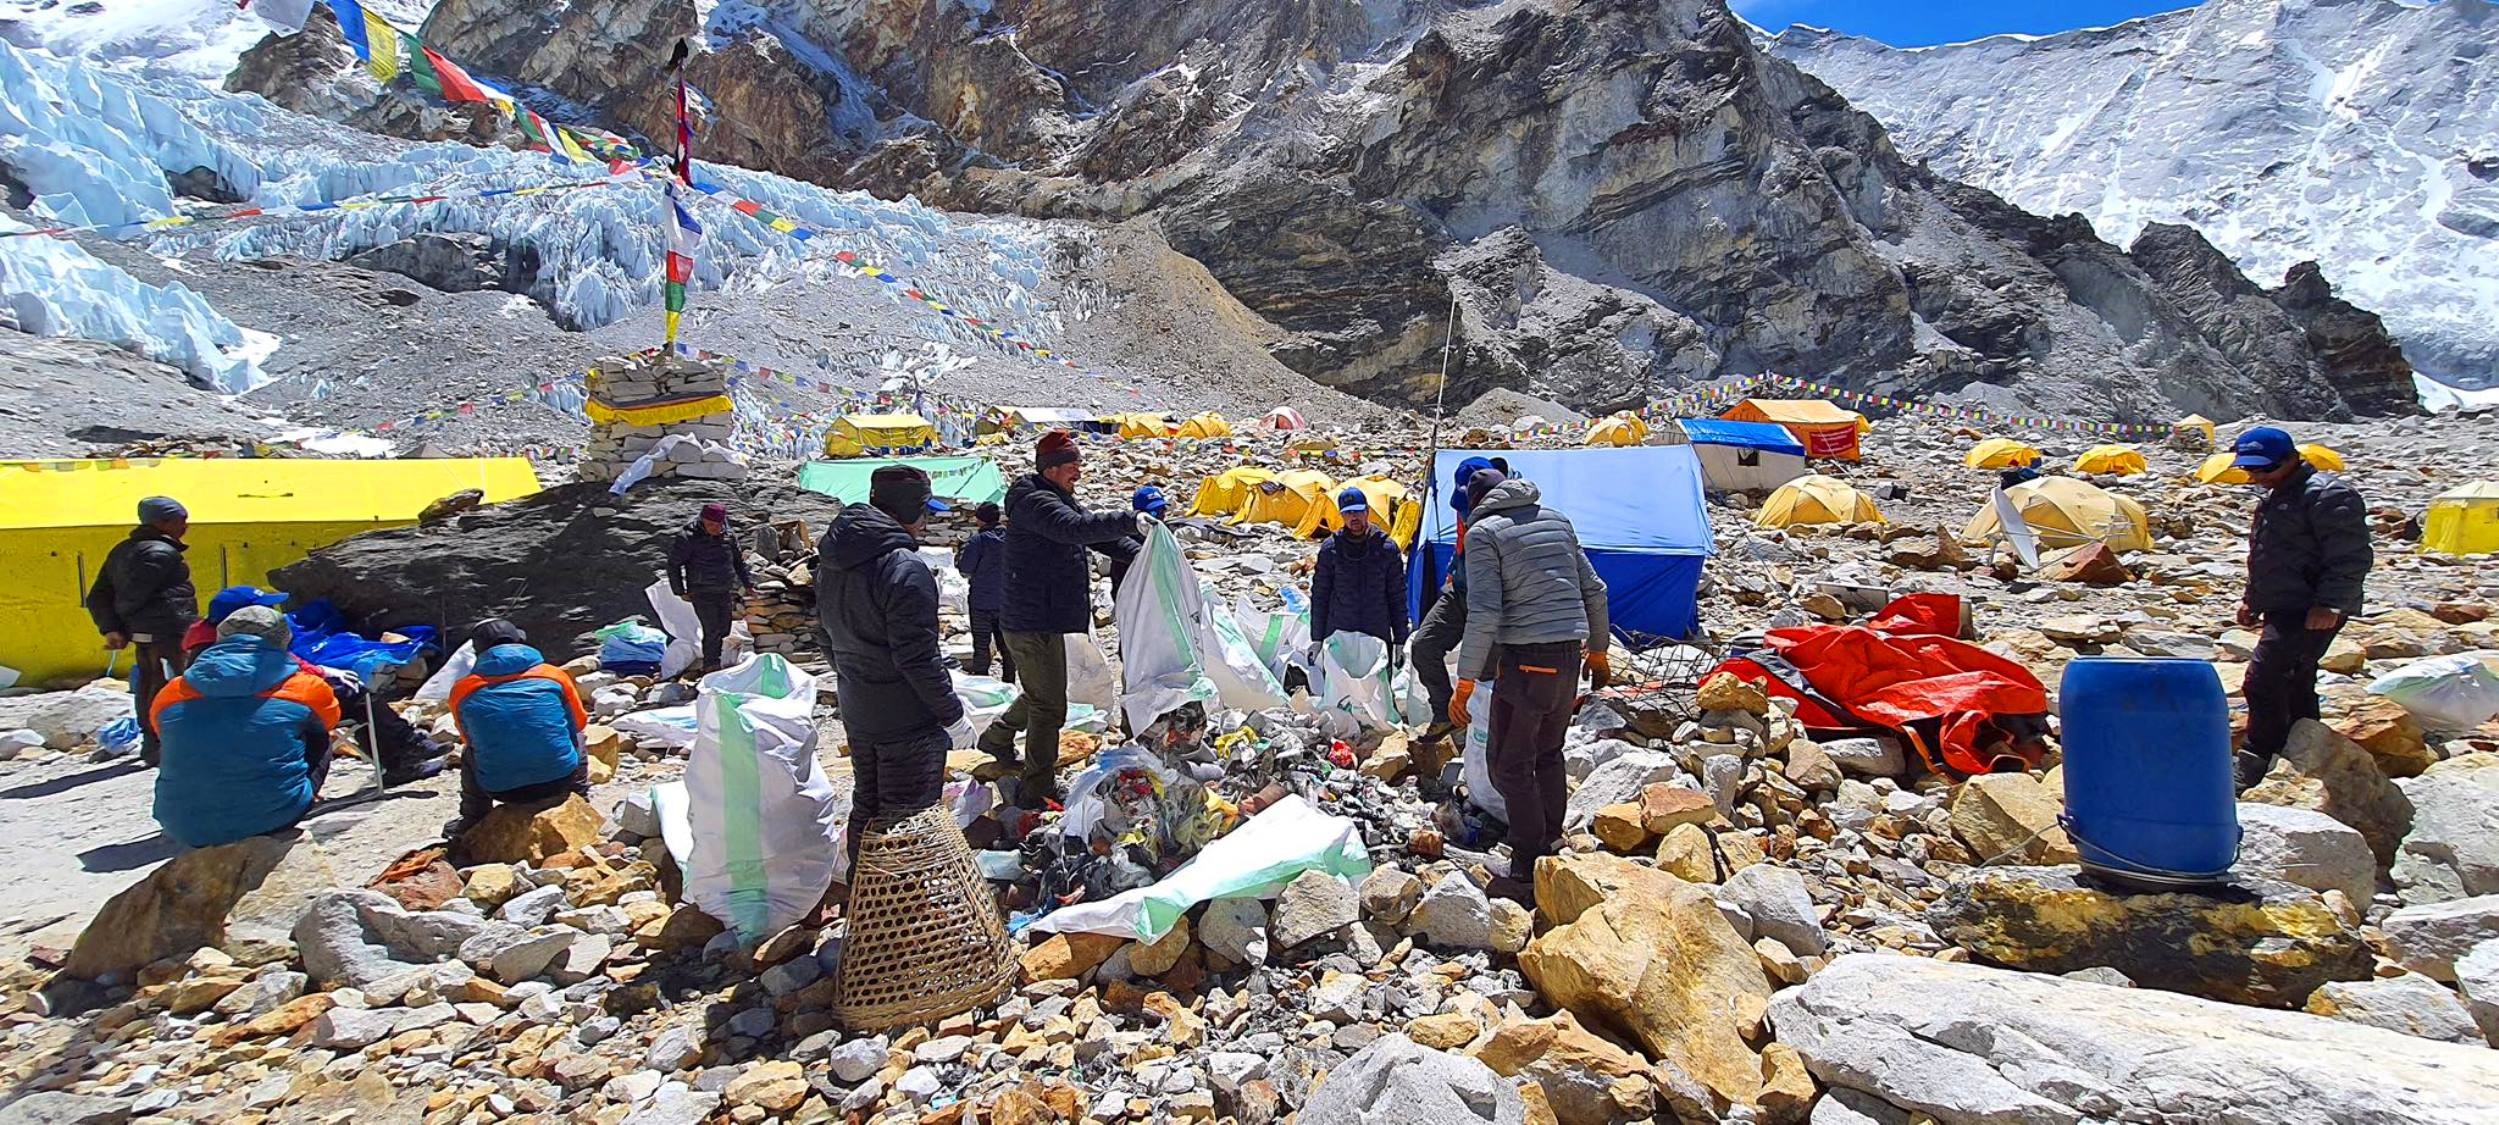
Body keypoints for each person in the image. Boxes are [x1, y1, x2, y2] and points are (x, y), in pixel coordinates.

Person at [1449, 468, 1610, 900]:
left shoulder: (1485, 534)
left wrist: (1465, 682)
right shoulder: (1556, 519)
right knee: (1548, 752)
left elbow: (1484, 612)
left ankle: (1526, 860)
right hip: (1567, 660)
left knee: (1510, 764)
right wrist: (1598, 650)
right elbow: (1594, 589)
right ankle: (1551, 838)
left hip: (1525, 662)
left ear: (1474, 503)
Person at [820, 466, 976, 867]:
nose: (925, 523)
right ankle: (904, 914)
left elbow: (825, 636)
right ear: (911, 510)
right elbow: (916, 657)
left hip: (858, 707)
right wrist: (952, 715)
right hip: (906, 720)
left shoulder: (834, 562)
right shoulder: (904, 566)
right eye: (924, 511)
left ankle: (866, 903)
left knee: (868, 805)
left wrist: (858, 675)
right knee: (908, 817)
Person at [980, 431, 1146, 802]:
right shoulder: (1033, 501)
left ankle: (997, 736)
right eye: (1073, 467)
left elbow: (1095, 536)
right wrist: (1130, 519)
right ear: (1051, 469)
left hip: (1044, 616)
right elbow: (1072, 530)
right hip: (1029, 619)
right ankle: (1036, 787)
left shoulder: (1058, 498)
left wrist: (1144, 552)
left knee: (1043, 691)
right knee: (1050, 705)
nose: (1079, 474)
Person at [184, 586, 447, 785]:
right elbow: (280, 675)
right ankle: (404, 753)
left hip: (233, 730)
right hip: (266, 713)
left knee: (351, 694)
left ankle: (406, 747)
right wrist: (321, 678)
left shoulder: (211, 648)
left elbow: (288, 663)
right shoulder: (242, 652)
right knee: (356, 698)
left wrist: (322, 670)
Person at [2231, 427, 2372, 789]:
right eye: (2252, 471)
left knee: (2263, 681)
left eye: (2264, 470)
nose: (2256, 477)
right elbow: (2267, 556)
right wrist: (2253, 599)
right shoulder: (2279, 494)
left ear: (2292, 458)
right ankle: (2303, 749)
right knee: (2295, 677)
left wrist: (2330, 603)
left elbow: (2350, 557)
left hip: (2311, 607)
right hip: (2284, 604)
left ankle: (2256, 757)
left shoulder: (2328, 495)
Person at [149, 607, 341, 849]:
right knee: (318, 734)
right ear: (282, 639)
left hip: (181, 825)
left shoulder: (173, 691)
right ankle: (293, 796)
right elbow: (330, 720)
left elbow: (160, 733)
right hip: (274, 817)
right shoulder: (305, 686)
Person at [447, 619, 591, 831]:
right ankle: (580, 799)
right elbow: (579, 722)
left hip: (501, 790)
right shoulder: (553, 675)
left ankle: (473, 818)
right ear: (520, 642)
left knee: (470, 753)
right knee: (577, 737)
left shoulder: (463, 690)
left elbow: (468, 738)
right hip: (559, 780)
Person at [87, 495, 199, 767]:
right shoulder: (159, 553)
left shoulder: (124, 550)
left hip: (147, 631)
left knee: (149, 682)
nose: (185, 527)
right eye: (180, 521)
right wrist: (121, 628)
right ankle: (170, 743)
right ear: (163, 522)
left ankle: (154, 743)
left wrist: (112, 627)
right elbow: (132, 596)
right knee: (175, 684)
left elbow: (98, 595)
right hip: (166, 631)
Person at [1409, 456, 1499, 740]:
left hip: (1491, 603)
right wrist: (1451, 572)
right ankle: (1445, 714)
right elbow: (1462, 547)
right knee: (1424, 646)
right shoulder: (1464, 512)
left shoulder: (1505, 517)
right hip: (1460, 591)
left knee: (1485, 673)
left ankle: (1481, 731)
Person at [1308, 486, 1410, 665]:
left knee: (1376, 689)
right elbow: (1320, 595)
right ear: (1341, 516)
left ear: (1367, 511)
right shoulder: (1331, 549)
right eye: (1348, 513)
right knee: (1340, 690)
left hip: (1376, 631)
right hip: (1340, 632)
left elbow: (1397, 596)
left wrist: (1400, 640)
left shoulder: (1386, 548)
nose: (1353, 518)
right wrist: (1317, 638)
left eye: (1358, 512)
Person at [669, 502, 755, 672]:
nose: (714, 528)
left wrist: (748, 584)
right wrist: (679, 590)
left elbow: (738, 562)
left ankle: (714, 660)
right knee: (712, 629)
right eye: (710, 525)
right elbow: (674, 564)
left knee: (724, 628)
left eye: (718, 525)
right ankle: (711, 666)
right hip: (701, 590)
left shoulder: (728, 536)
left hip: (723, 589)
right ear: (702, 520)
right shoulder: (688, 537)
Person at [957, 502, 1014, 682]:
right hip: (1007, 603)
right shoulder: (1012, 539)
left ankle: (982, 685)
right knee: (1007, 648)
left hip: (981, 603)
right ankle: (1010, 685)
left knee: (981, 647)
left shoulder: (978, 540)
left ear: (979, 519)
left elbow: (965, 569)